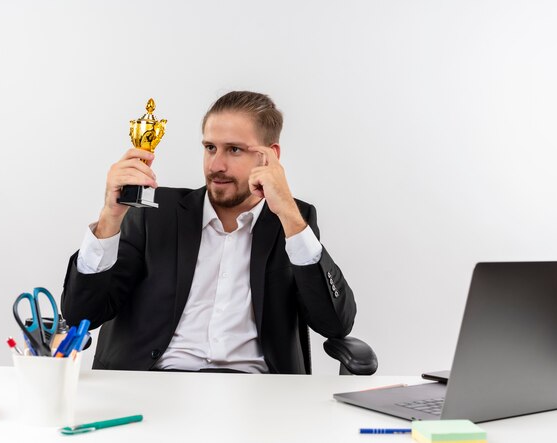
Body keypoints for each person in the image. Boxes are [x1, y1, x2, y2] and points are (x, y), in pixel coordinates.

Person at [61, 91, 356, 373]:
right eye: (210, 148)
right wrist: (109, 218)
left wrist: (290, 217)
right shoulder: (155, 214)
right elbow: (82, 314)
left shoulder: (293, 220)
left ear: (269, 157)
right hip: (153, 384)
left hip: (258, 395)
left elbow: (335, 325)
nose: (216, 165)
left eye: (235, 150)